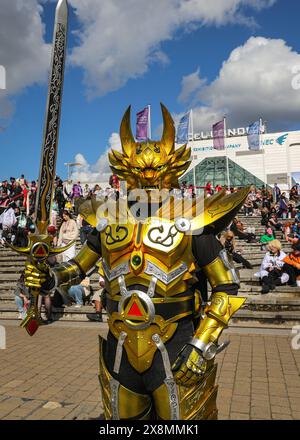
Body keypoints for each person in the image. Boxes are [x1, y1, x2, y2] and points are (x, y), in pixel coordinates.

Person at [24, 104, 249, 420]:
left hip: (178, 347)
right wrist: (49, 278)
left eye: (155, 170)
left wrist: (201, 345)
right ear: (125, 171)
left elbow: (227, 286)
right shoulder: (108, 219)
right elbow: (76, 269)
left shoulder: (192, 219)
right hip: (121, 350)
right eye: (140, 170)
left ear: (172, 168)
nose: (147, 177)